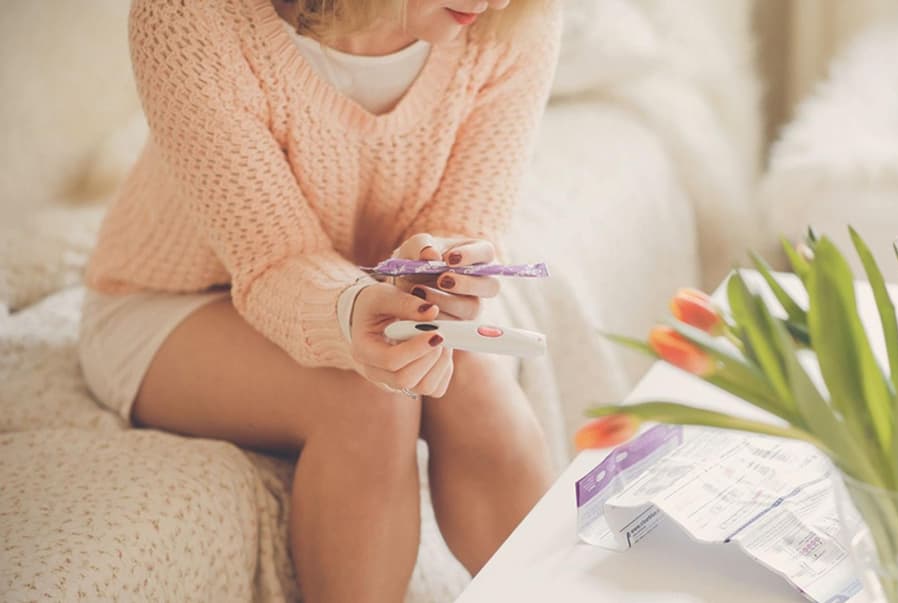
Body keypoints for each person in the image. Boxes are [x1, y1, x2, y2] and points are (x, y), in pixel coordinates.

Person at [79, 0, 560, 600]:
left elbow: (464, 221)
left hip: (362, 289)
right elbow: (275, 259)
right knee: (370, 398)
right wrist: (353, 312)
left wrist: (445, 278)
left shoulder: (520, 20)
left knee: (476, 384)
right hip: (171, 301)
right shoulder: (190, 16)